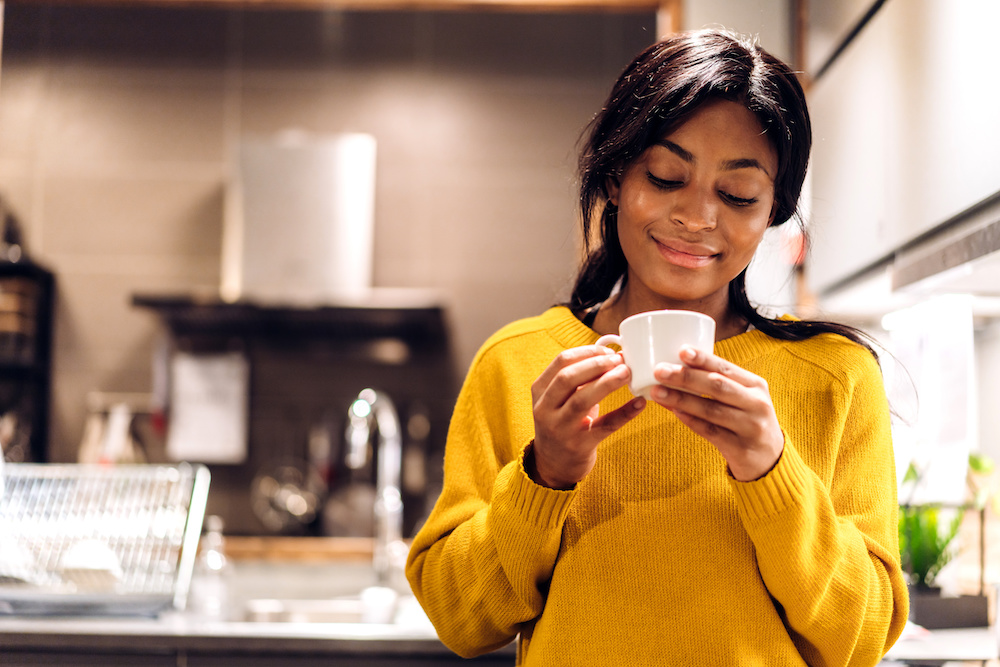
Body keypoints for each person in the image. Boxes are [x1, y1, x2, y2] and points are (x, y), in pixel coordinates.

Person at [406, 28, 908, 666]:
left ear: (773, 211)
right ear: (615, 179)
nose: (698, 218)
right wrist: (545, 475)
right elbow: (459, 620)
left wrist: (771, 469)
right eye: (667, 177)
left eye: (738, 195)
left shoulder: (835, 377)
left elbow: (861, 638)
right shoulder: (520, 363)